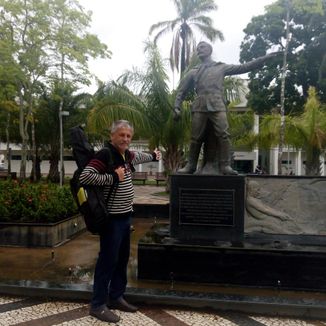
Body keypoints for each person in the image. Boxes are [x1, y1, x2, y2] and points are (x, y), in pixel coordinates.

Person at [79, 120, 161, 323]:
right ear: (112, 136)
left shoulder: (127, 155)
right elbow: (85, 177)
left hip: (125, 217)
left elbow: (139, 156)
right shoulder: (105, 155)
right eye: (121, 135)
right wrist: (113, 177)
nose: (125, 139)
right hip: (111, 219)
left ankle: (116, 296)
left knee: (122, 259)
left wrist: (153, 155)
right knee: (107, 260)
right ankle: (98, 305)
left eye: (128, 136)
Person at [174, 41, 281, 175]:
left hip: (217, 105)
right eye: (197, 48)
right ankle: (191, 166)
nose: (199, 50)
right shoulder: (193, 72)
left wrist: (263, 59)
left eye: (202, 47)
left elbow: (244, 67)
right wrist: (177, 106)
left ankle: (225, 166)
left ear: (209, 50)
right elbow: (181, 91)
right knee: (196, 138)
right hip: (200, 106)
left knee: (223, 135)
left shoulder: (221, 67)